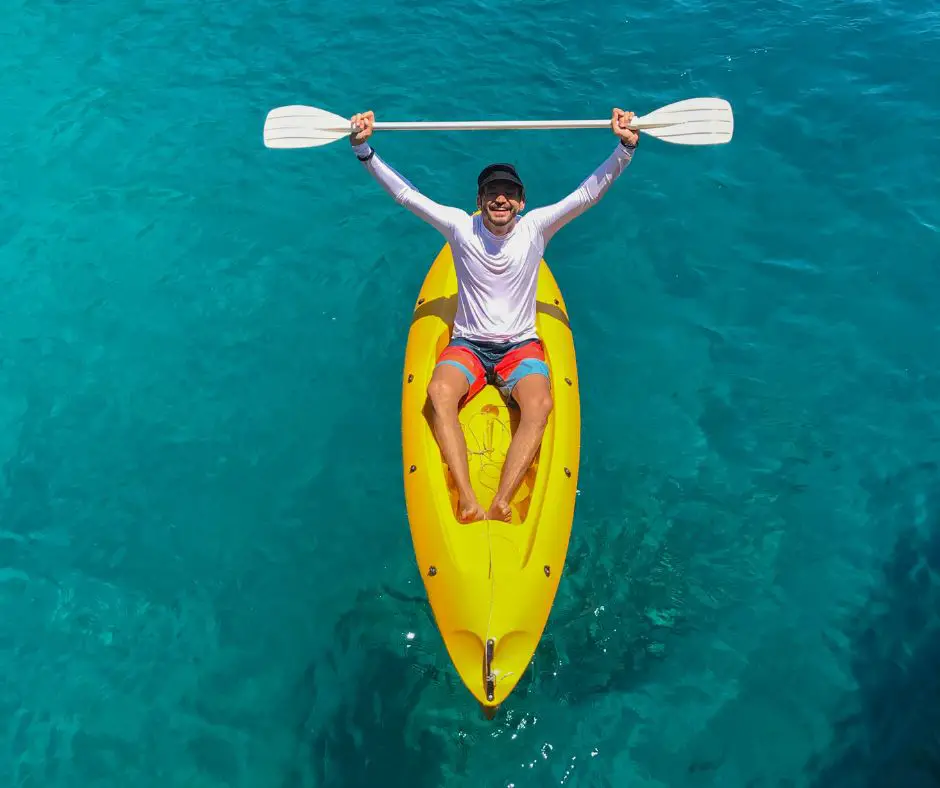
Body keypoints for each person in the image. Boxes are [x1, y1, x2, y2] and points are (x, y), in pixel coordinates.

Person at [350, 107, 640, 523]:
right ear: (479, 202)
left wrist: (625, 149)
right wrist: (364, 150)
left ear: (521, 202)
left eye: (508, 192)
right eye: (491, 192)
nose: (499, 198)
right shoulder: (459, 228)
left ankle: (503, 499)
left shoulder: (536, 228)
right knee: (438, 394)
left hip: (519, 348)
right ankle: (467, 497)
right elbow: (406, 195)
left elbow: (587, 194)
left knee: (539, 404)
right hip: (467, 344)